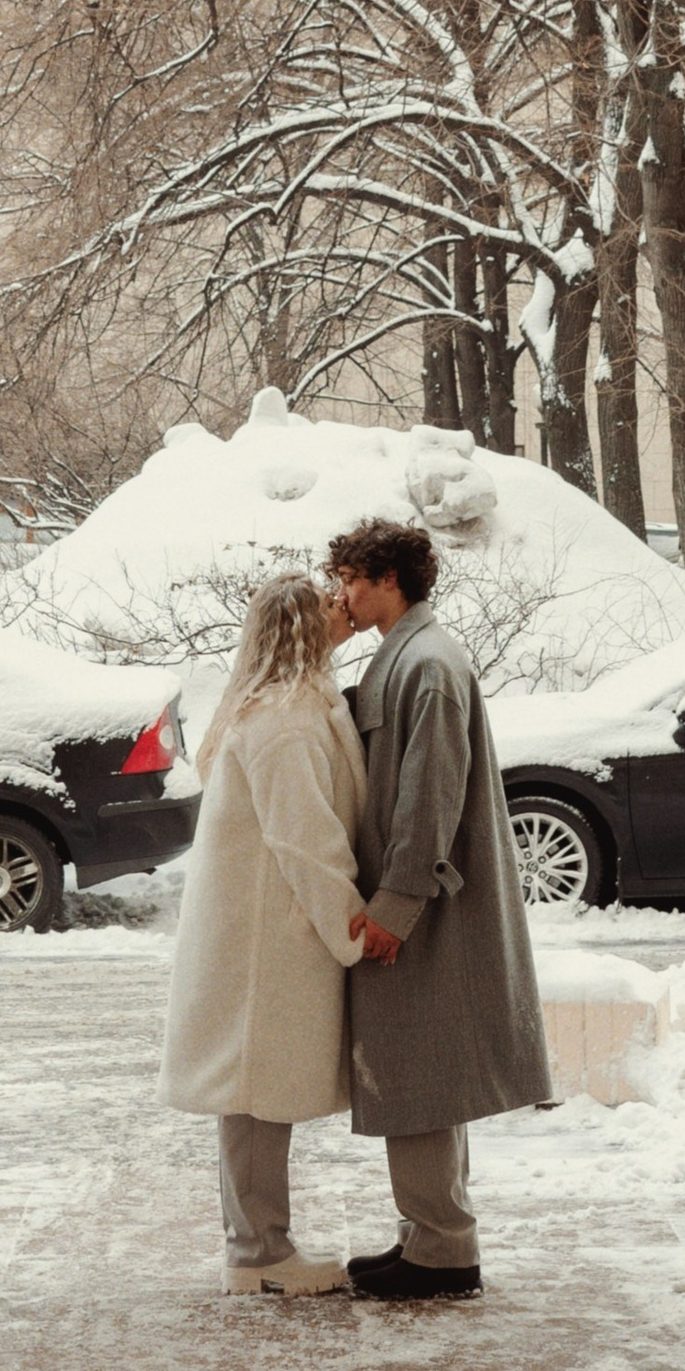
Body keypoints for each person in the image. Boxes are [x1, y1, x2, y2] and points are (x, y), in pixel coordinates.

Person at [326, 519, 552, 1303]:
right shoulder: (416, 655)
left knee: (415, 1071)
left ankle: (442, 1251)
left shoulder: (426, 663)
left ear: (388, 579)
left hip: (423, 907)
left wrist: (396, 905)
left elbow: (429, 796)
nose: (342, 595)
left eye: (351, 579)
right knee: (423, 1074)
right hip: (426, 900)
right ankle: (435, 1237)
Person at [158, 570, 370, 1296]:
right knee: (253, 1090)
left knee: (252, 1090)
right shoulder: (284, 721)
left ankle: (258, 1243)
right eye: (331, 606)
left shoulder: (276, 707)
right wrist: (354, 925)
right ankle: (258, 1253)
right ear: (308, 630)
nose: (346, 611)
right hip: (266, 941)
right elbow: (306, 838)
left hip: (257, 935)